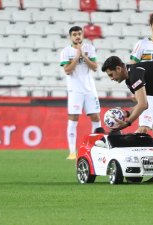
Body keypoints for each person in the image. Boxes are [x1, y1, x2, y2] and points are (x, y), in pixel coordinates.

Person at [60, 26, 103, 160]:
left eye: (79, 34)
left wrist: (84, 56)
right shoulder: (66, 52)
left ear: (83, 35)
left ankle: (94, 148)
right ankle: (72, 152)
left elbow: (95, 67)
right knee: (73, 119)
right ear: (70, 37)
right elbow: (67, 70)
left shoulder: (89, 48)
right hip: (75, 90)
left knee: (95, 117)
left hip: (89, 89)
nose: (77, 36)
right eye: (74, 34)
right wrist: (77, 57)